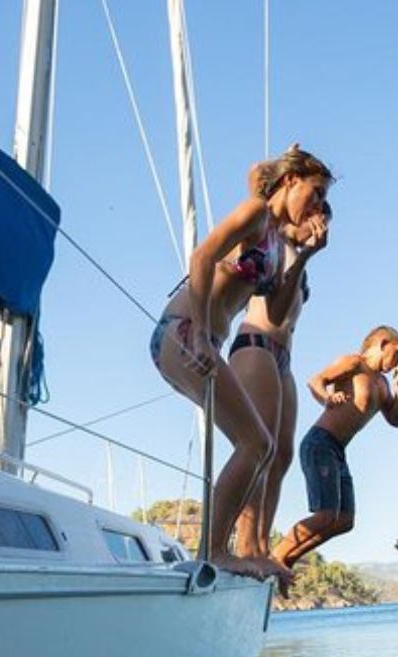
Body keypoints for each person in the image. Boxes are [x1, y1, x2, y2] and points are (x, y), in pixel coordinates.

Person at [149, 143, 332, 582]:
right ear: (291, 181)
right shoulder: (255, 213)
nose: (320, 206)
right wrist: (205, 335)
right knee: (257, 444)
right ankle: (215, 550)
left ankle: (228, 551)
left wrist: (306, 254)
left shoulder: (274, 242)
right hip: (183, 332)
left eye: (325, 200)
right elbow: (202, 256)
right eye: (316, 192)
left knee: (261, 446)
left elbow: (275, 307)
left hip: (201, 340)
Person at [231, 201, 332, 563]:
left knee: (282, 456)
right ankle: (245, 546)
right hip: (257, 344)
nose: (321, 226)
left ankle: (259, 546)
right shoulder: (272, 238)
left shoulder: (299, 255)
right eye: (318, 216)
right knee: (261, 448)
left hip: (282, 356)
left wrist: (306, 258)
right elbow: (272, 308)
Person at [270, 326, 398, 568]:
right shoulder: (354, 363)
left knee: (344, 520)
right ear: (383, 344)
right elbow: (316, 381)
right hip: (320, 442)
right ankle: (276, 556)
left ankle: (288, 558)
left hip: (338, 451)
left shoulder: (384, 384)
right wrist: (326, 397)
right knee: (326, 514)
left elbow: (396, 421)